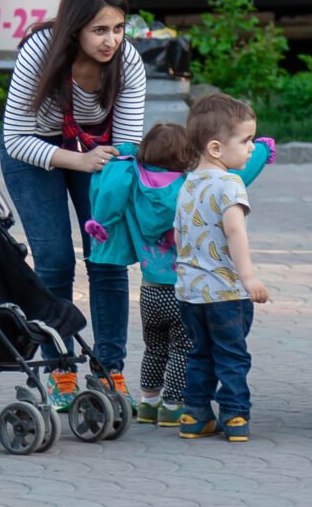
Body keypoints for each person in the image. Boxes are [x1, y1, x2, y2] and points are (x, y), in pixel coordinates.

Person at [0, 0, 148, 406]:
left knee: (107, 257)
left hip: (97, 152)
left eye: (118, 28)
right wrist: (77, 160)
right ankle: (57, 369)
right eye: (99, 30)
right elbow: (14, 139)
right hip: (34, 152)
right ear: (75, 28)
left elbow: (125, 145)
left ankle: (109, 370)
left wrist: (114, 179)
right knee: (55, 260)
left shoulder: (128, 63)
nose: (111, 40)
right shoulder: (39, 53)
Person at [83, 121, 274, 427]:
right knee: (184, 350)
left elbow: (113, 198)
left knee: (155, 348)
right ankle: (172, 405)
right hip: (185, 290)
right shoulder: (190, 186)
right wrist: (263, 149)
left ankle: (148, 402)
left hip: (149, 291)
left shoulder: (134, 185)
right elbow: (236, 174)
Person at [173, 93, 270, 442]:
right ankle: (235, 415)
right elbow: (234, 230)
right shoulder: (230, 183)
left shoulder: (187, 184)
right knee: (231, 355)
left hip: (190, 292)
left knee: (199, 353)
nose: (252, 148)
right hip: (226, 291)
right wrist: (249, 277)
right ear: (216, 148)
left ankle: (195, 415)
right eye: (246, 141)